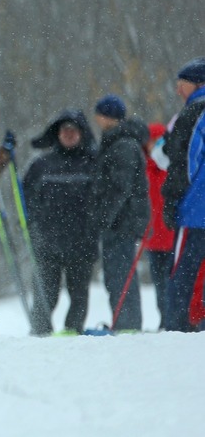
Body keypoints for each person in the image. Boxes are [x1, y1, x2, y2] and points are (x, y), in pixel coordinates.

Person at [23, 109, 96, 335]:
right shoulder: (41, 165)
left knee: (79, 291)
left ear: (82, 133)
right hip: (47, 242)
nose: (69, 135)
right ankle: (39, 330)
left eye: (74, 130)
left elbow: (102, 199)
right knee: (45, 291)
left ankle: (73, 329)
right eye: (65, 130)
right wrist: (35, 225)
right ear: (57, 134)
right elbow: (27, 199)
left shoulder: (94, 163)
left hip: (82, 241)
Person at [89, 95, 150, 332]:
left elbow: (119, 187)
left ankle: (127, 323)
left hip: (121, 222)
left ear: (107, 116)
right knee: (116, 273)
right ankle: (122, 320)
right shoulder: (118, 141)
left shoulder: (123, 144)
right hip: (120, 221)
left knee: (120, 273)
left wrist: (104, 217)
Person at [160, 57, 205, 332]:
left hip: (195, 209)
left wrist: (172, 198)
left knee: (183, 271)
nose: (178, 90)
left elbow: (185, 163)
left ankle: (177, 329)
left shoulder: (194, 113)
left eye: (182, 84)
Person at [142, 121, 173, 328]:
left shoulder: (171, 169)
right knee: (160, 284)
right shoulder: (143, 169)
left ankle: (174, 320)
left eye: (157, 141)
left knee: (173, 283)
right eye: (150, 141)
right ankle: (164, 319)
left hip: (171, 237)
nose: (153, 145)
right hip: (152, 239)